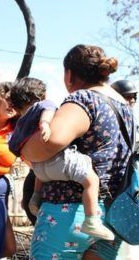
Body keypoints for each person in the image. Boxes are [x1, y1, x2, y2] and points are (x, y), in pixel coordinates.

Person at [20, 44, 133, 260]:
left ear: (70, 75)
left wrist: (24, 146)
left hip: (66, 214)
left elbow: (49, 144)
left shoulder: (83, 100)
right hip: (108, 216)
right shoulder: (125, 108)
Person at [8, 77, 114, 240]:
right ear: (41, 95)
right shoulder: (43, 104)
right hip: (60, 161)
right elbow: (48, 110)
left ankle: (35, 197)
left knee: (38, 172)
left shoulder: (21, 123)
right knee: (91, 180)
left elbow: (13, 146)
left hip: (39, 171)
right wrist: (45, 124)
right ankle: (92, 220)